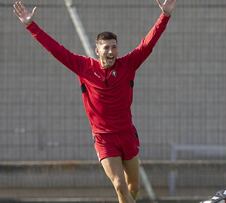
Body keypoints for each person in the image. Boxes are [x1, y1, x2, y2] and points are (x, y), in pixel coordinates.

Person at [13, 0, 176, 202]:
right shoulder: (84, 67)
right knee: (119, 185)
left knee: (133, 188)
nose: (110, 51)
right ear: (97, 49)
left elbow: (148, 43)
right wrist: (31, 25)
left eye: (114, 47)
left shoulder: (128, 65)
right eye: (106, 47)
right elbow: (56, 49)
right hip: (104, 139)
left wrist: (165, 15)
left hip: (127, 134)